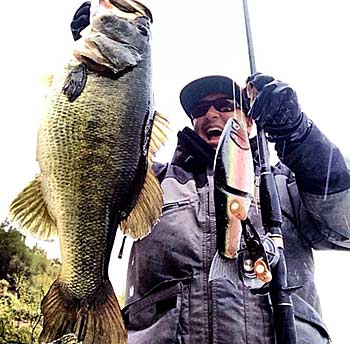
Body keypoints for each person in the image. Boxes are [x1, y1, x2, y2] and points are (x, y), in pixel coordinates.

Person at [71, 3, 350, 343]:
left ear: (249, 120)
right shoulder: (151, 182)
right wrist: (97, 78)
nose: (212, 114)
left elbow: (344, 225)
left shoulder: (287, 184)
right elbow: (94, 168)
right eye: (201, 109)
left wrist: (299, 135)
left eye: (225, 105)